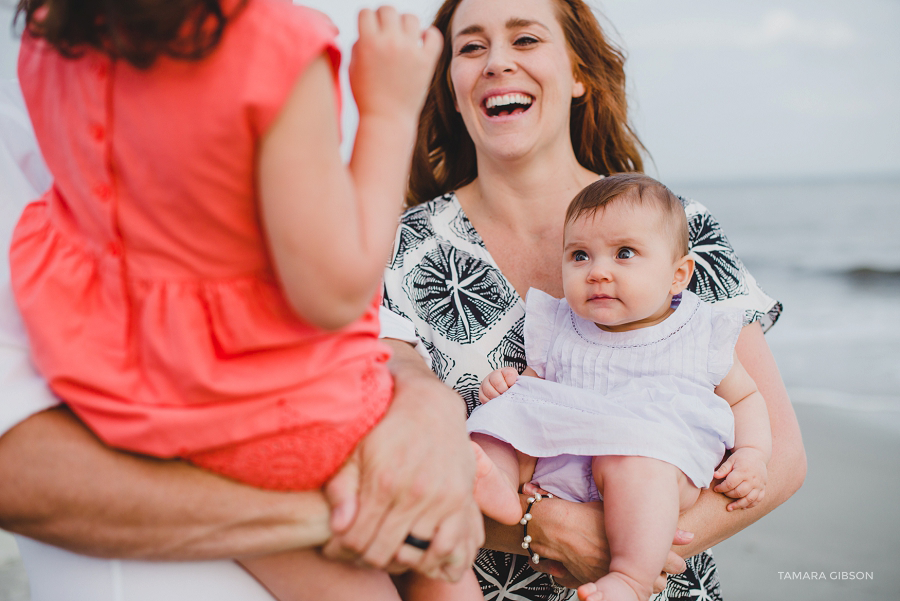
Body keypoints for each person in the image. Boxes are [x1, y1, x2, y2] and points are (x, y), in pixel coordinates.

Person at [5, 0, 502, 599]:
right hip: (269, 413)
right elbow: (337, 292)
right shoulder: (275, 49)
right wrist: (390, 111)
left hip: (121, 385)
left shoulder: (54, 31)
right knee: (436, 550)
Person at [379, 0, 806, 599]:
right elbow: (386, 479)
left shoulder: (679, 228)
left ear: (579, 73)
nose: (497, 61)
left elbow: (781, 455)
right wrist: (538, 529)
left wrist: (637, 554)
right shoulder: (399, 251)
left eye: (525, 40)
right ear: (451, 88)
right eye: (471, 47)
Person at [469, 174, 772, 601]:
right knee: (501, 421)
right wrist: (512, 387)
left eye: (624, 253)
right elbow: (538, 395)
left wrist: (753, 455)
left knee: (634, 461)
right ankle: (496, 483)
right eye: (579, 256)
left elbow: (745, 396)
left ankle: (630, 578)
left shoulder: (700, 331)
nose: (597, 272)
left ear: (678, 275)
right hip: (564, 461)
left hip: (649, 460)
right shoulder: (560, 324)